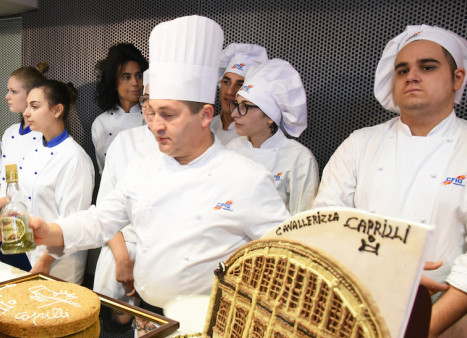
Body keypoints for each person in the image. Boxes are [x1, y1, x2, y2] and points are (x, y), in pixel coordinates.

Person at [29, 15, 289, 312]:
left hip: (203, 330)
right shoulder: (143, 168)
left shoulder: (247, 179)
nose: (155, 125)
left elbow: (285, 258)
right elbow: (101, 219)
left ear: (205, 116)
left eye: (169, 114)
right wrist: (53, 231)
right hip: (147, 318)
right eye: (151, 112)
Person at [313, 25, 467, 338]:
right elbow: (323, 224)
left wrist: (425, 330)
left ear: (457, 78)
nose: (411, 75)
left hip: (440, 325)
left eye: (427, 67)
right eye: (402, 69)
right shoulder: (360, 144)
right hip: (353, 316)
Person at [20, 79, 95, 283]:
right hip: (31, 256)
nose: (26, 112)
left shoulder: (75, 159)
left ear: (57, 110)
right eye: (27, 106)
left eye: (34, 106)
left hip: (60, 266)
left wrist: (44, 262)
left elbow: (72, 222)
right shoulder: (33, 151)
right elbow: (24, 199)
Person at [93, 70, 158, 303]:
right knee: (114, 329)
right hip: (120, 251)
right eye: (146, 98)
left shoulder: (187, 149)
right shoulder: (125, 141)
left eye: (157, 99)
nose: (150, 107)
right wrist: (122, 260)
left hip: (161, 263)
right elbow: (106, 209)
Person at [228, 58, 319, 214]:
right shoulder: (232, 148)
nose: (234, 113)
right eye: (236, 105)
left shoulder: (299, 158)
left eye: (245, 107)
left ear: (270, 116)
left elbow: (303, 220)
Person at [0, 64, 48, 241]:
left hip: (29, 217)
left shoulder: (43, 136)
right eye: (8, 91)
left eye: (13, 91)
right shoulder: (9, 133)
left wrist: (1, 203)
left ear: (31, 95)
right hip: (4, 217)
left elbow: (33, 185)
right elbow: (1, 175)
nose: (7, 96)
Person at [91, 42, 148, 172]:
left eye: (139, 76)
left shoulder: (151, 118)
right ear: (114, 82)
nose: (135, 83)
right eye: (127, 77)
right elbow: (103, 169)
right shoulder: (100, 123)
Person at [210, 43, 267, 145]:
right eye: (227, 82)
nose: (229, 91)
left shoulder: (254, 135)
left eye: (240, 84)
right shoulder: (206, 126)